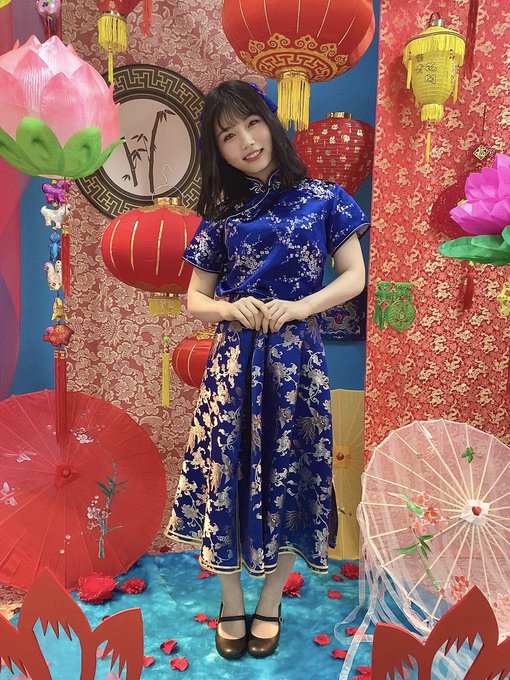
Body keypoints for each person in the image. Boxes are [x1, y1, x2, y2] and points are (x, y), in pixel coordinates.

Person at [165, 80, 368, 659]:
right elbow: (194, 299)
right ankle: (231, 601)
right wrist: (230, 308)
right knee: (226, 473)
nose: (246, 142)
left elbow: (354, 276)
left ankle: (271, 600)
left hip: (297, 360)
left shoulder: (327, 199)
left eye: (252, 124)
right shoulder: (221, 214)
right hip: (234, 362)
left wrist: (301, 307)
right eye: (228, 135)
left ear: (273, 123)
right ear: (218, 151)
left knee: (291, 472)